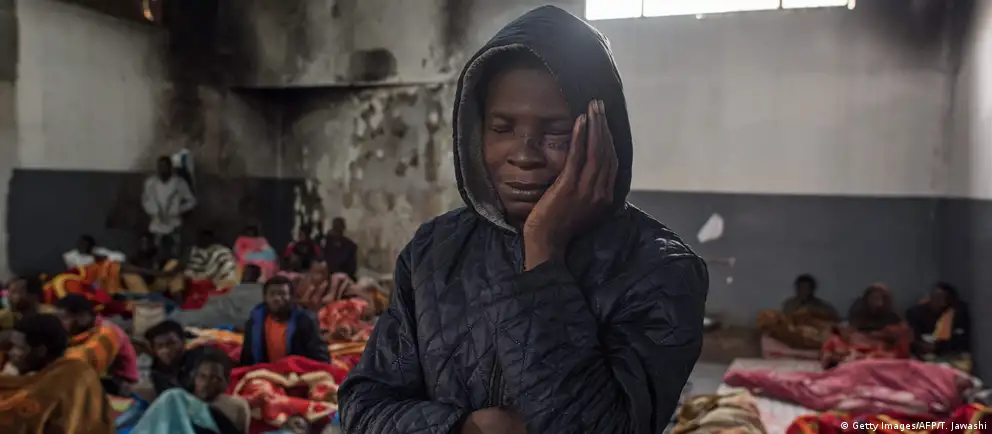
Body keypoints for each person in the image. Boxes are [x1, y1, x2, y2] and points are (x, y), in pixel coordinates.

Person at [338, 6, 708, 434]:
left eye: (556, 132)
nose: (524, 155)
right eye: (502, 128)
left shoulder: (660, 271)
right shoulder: (434, 250)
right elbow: (363, 408)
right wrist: (466, 429)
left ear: (606, 137)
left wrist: (543, 249)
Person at [0, 314, 115, 433]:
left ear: (40, 351)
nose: (11, 353)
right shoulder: (33, 376)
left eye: (18, 348)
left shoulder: (70, 377)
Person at [130, 348, 249, 434]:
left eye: (215, 378)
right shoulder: (176, 402)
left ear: (225, 383)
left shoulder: (234, 406)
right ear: (194, 378)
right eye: (202, 376)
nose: (206, 383)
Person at [53, 294, 139, 395]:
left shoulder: (108, 332)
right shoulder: (81, 332)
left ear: (82, 316)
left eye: (64, 317)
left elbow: (84, 361)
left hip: (119, 385)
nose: (59, 323)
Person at [239, 276, 330, 365]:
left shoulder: (305, 320)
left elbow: (321, 357)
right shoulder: (254, 322)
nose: (277, 298)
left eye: (282, 294)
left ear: (291, 297)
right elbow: (246, 358)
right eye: (272, 294)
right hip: (263, 371)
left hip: (298, 371)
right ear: (265, 297)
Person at [821, 284, 912, 369]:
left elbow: (900, 338)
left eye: (880, 298)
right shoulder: (859, 311)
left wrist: (880, 335)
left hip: (879, 348)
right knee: (833, 340)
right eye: (873, 298)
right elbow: (852, 329)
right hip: (856, 344)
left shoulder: (894, 317)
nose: (877, 302)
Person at [755, 274, 840, 351]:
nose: (803, 290)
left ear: (812, 289)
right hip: (793, 334)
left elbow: (832, 320)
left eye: (806, 288)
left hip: (814, 335)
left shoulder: (822, 306)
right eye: (800, 287)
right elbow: (786, 320)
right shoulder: (790, 304)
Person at [906, 282, 972, 371]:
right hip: (921, 353)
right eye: (934, 297)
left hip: (948, 353)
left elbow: (961, 340)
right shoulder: (916, 313)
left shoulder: (956, 314)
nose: (937, 301)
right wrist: (920, 346)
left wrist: (938, 347)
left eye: (942, 297)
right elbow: (910, 335)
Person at [142, 155, 197, 255]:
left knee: (174, 254)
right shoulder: (150, 183)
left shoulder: (179, 183)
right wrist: (154, 211)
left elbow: (192, 201)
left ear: (170, 167)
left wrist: (178, 210)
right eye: (160, 167)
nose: (162, 169)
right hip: (156, 225)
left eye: (165, 166)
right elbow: (145, 201)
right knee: (157, 253)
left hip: (174, 225)